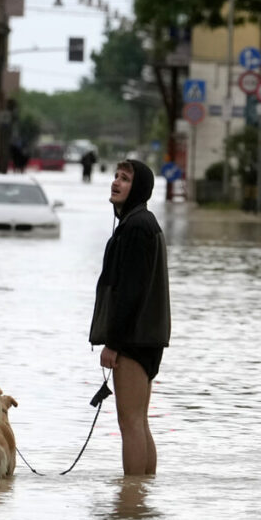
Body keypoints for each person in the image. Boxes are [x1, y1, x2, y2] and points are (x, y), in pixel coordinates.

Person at [89, 159, 170, 476]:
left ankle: (132, 504)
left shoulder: (137, 228)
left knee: (131, 421)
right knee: (139, 419)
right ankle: (141, 498)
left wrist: (113, 343)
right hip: (145, 336)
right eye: (116, 176)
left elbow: (131, 292)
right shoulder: (140, 223)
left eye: (124, 179)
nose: (116, 182)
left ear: (138, 189)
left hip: (134, 339)